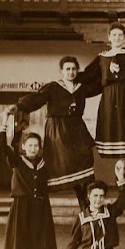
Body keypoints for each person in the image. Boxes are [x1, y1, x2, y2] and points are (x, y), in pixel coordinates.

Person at [13, 56, 101, 208]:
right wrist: (19, 106)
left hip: (77, 128)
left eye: (74, 69)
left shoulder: (82, 87)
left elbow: (99, 83)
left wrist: (102, 59)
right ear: (61, 72)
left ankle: (87, 206)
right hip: (58, 129)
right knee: (63, 162)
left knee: (85, 160)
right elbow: (37, 99)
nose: (71, 72)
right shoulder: (53, 87)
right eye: (67, 69)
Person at [0, 110, 57, 249]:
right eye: (29, 145)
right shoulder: (17, 161)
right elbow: (2, 146)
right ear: (23, 147)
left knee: (42, 245)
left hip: (41, 209)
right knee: (22, 246)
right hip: (22, 209)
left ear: (39, 147)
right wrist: (4, 122)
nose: (32, 148)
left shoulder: (44, 163)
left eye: (35, 145)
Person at [79, 22, 125, 158]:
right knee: (110, 127)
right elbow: (89, 75)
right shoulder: (102, 57)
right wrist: (71, 78)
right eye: (114, 35)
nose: (117, 38)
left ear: (124, 37)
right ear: (109, 37)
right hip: (109, 98)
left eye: (120, 35)